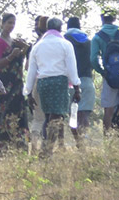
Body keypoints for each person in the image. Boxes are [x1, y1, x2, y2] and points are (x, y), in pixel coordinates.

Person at [24, 18, 81, 158]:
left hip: (43, 83)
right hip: (59, 82)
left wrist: (28, 93)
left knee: (49, 116)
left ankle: (46, 150)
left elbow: (31, 72)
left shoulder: (38, 46)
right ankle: (46, 151)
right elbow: (72, 68)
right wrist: (77, 88)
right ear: (60, 29)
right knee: (56, 117)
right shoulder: (65, 44)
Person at [90, 11, 119, 134]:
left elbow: (93, 59)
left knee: (108, 110)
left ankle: (107, 138)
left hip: (110, 76)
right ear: (114, 18)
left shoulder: (97, 37)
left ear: (102, 19)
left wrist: (102, 72)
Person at [0, 13, 31, 151]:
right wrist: (11, 56)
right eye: (9, 22)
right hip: (5, 85)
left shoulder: (16, 42)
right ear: (2, 24)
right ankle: (6, 146)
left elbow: (23, 60)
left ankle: (20, 144)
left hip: (17, 84)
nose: (11, 26)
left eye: (13, 23)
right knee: (6, 112)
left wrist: (25, 48)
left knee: (19, 112)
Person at [64, 17, 95, 142]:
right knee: (84, 115)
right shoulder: (89, 42)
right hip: (87, 81)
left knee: (72, 116)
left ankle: (79, 143)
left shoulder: (64, 41)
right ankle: (84, 140)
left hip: (70, 83)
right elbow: (94, 62)